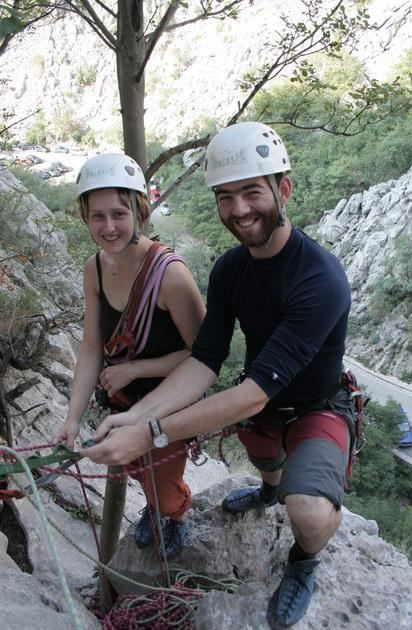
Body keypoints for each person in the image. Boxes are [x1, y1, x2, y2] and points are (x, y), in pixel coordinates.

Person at [81, 123, 354, 628]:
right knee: (265, 458)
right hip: (264, 408)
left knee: (307, 510)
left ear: (283, 189)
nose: (239, 209)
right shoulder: (230, 270)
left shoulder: (319, 279)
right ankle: (269, 489)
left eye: (252, 192)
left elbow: (253, 394)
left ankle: (303, 561)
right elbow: (204, 360)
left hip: (314, 406)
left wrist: (150, 431)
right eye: (225, 197)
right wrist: (135, 418)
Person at [56, 153, 205, 558]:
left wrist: (137, 368)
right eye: (97, 216)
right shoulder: (94, 269)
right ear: (86, 217)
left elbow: (205, 355)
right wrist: (72, 418)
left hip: (170, 400)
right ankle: (155, 507)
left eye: (119, 214)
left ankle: (175, 514)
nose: (108, 227)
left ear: (139, 210)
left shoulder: (169, 275)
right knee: (138, 469)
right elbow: (91, 347)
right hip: (124, 401)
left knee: (163, 481)